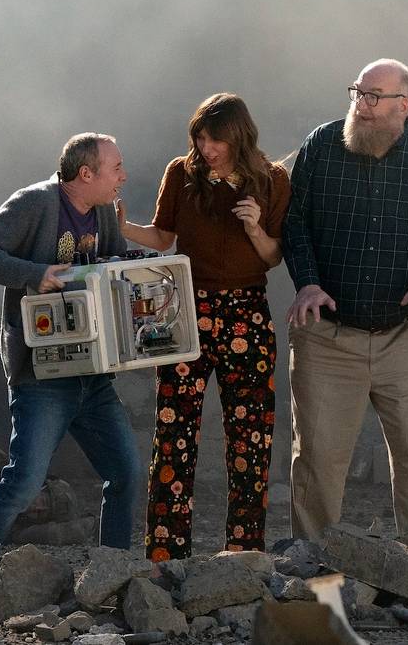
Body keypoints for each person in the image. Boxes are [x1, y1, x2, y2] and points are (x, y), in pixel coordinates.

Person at [0, 133, 141, 600]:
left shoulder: (103, 212)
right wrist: (35, 274)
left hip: (93, 373)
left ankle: (110, 576)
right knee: (26, 479)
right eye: (116, 167)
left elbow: (113, 263)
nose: (123, 176)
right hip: (43, 375)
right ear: (86, 174)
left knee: (127, 473)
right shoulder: (35, 203)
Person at [283, 58, 408, 541]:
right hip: (327, 333)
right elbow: (293, 221)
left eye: (372, 97)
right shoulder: (322, 145)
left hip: (404, 331)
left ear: (403, 105)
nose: (360, 106)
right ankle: (316, 567)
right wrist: (307, 281)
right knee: (318, 456)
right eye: (357, 93)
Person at [118, 93, 290, 561]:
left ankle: (243, 556)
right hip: (183, 311)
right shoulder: (181, 172)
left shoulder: (272, 179)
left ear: (239, 137)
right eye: (200, 138)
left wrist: (255, 228)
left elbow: (274, 256)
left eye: (216, 139)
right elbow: (163, 237)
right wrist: (124, 227)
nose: (207, 148)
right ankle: (165, 559)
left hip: (247, 315)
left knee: (250, 439)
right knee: (172, 434)